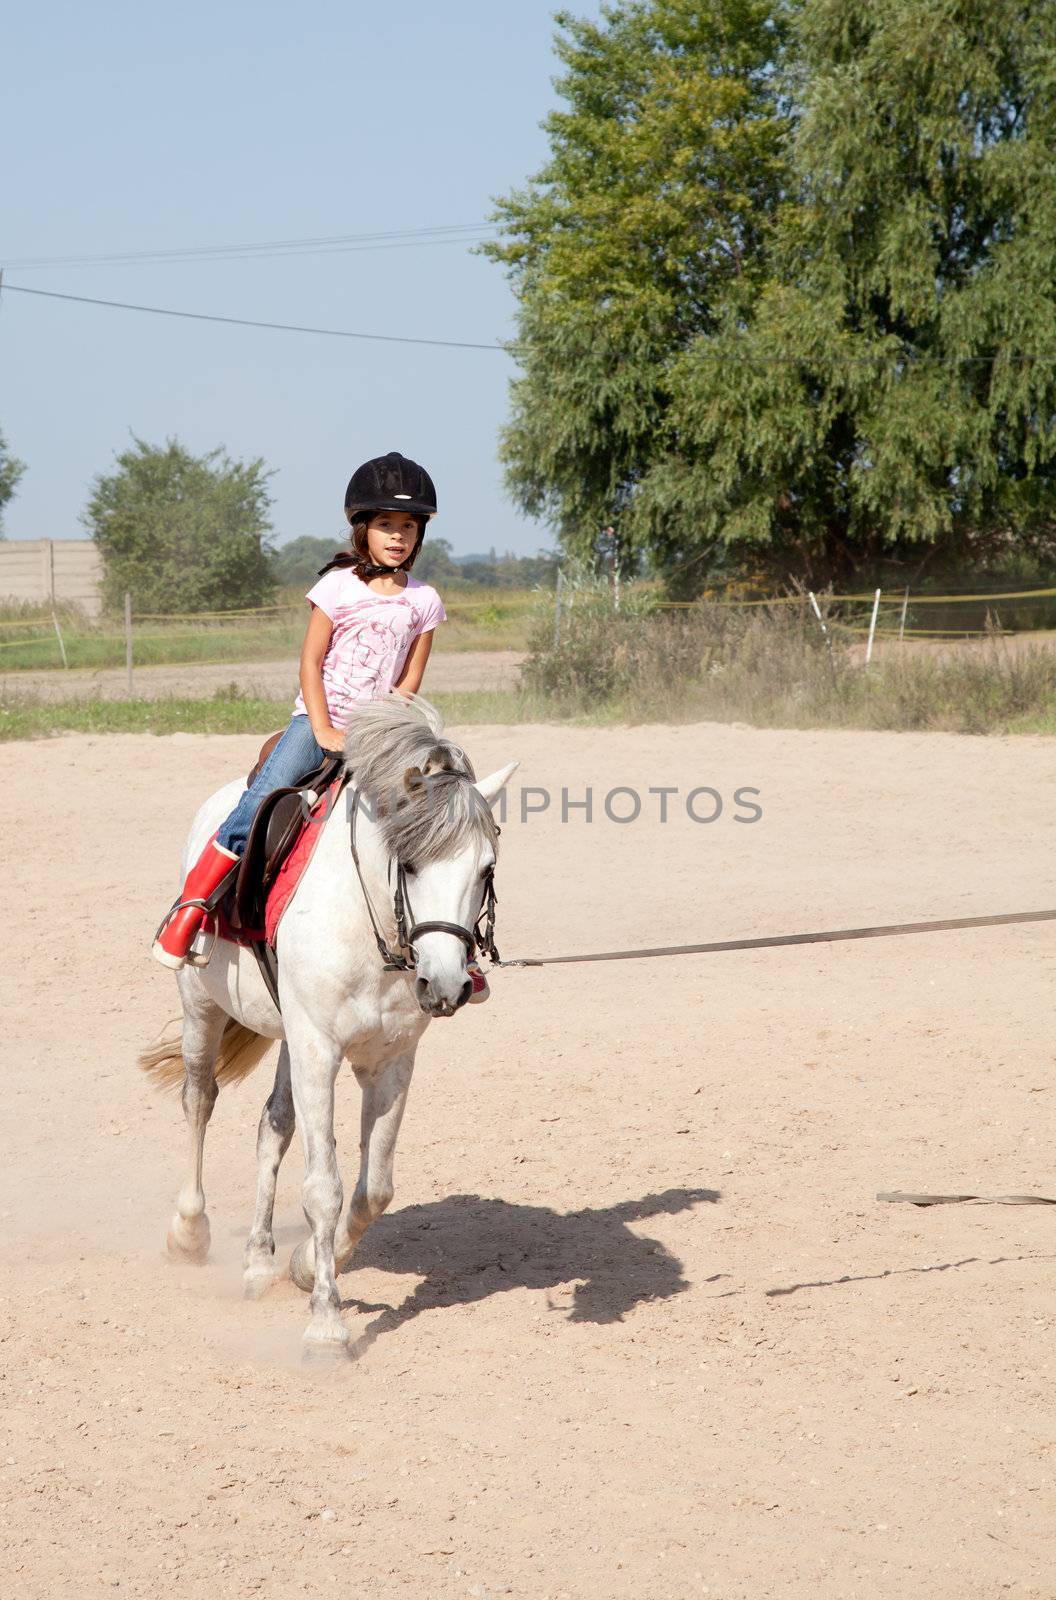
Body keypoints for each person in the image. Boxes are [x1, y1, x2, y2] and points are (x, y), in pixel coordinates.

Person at [152, 450, 490, 1001]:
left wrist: (385, 724)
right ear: (363, 530)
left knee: (441, 812)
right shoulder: (336, 587)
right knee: (261, 797)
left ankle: (458, 952)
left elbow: (411, 677)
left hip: (383, 730)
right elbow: (310, 663)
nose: (398, 537)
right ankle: (191, 907)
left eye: (408, 526)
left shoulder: (425, 600)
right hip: (317, 721)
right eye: (386, 525)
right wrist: (325, 728)